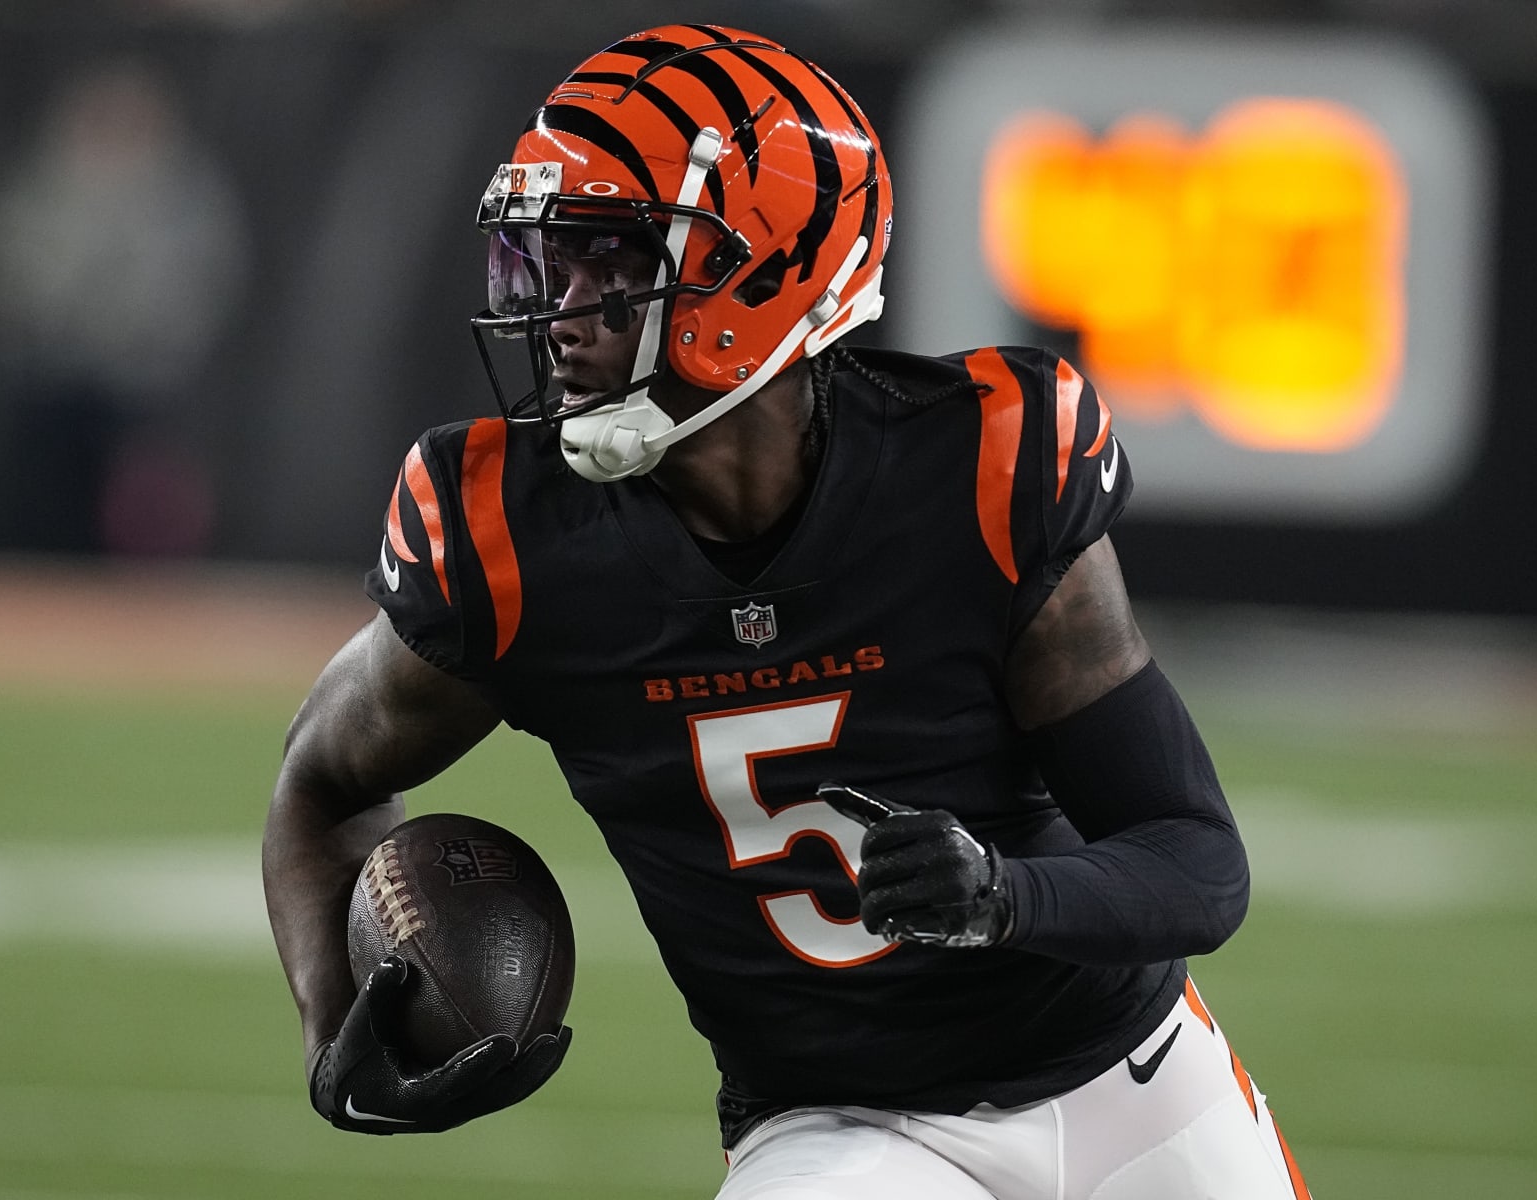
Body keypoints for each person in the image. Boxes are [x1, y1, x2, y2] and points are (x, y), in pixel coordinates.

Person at [264, 24, 1312, 1200]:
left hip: (1130, 1086)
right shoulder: (512, 540)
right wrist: (330, 1029)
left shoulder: (975, 472)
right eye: (545, 262)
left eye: (609, 258)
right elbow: (322, 780)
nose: (560, 311)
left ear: (764, 270)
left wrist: (1003, 897)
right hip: (837, 1131)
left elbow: (1197, 862)